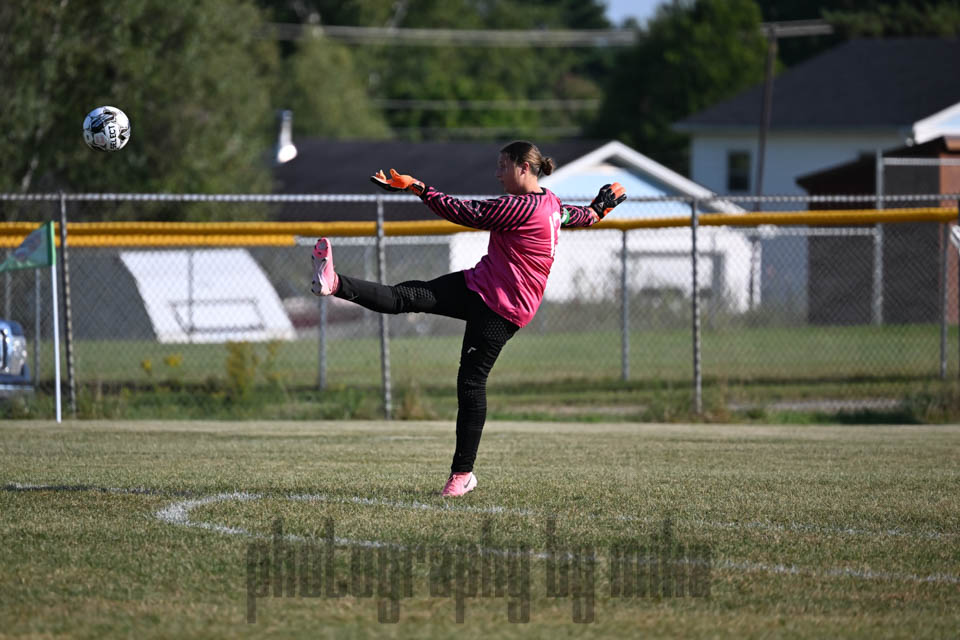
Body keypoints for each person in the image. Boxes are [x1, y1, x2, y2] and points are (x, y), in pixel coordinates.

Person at [310, 141, 626, 497]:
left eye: (502, 166)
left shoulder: (522, 208)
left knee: (470, 383)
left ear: (523, 167)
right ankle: (333, 283)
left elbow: (468, 212)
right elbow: (575, 217)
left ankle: (463, 475)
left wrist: (419, 188)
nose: (497, 173)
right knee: (406, 296)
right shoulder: (549, 203)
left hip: (503, 308)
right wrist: (598, 209)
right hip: (480, 285)